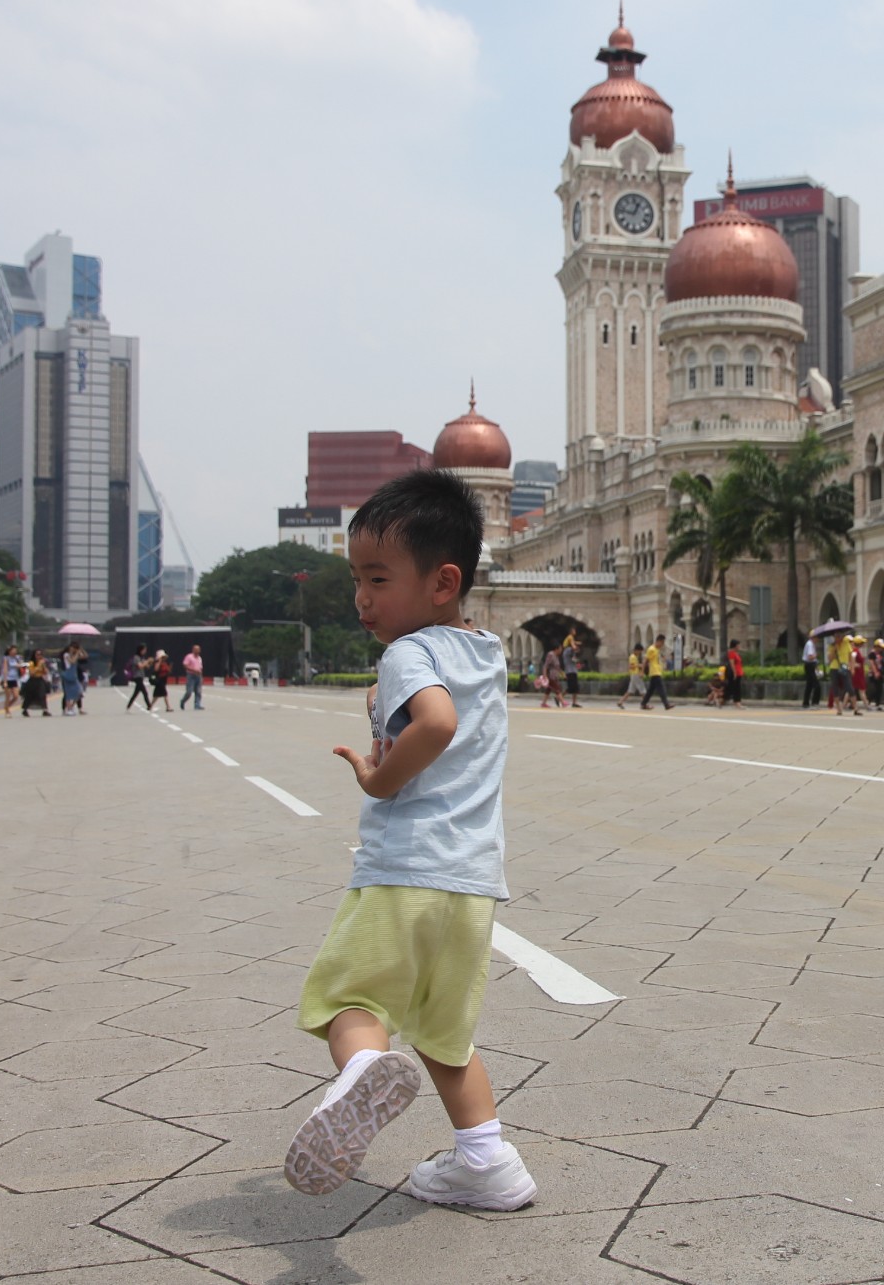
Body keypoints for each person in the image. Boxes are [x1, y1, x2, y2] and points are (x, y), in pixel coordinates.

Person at [286, 468, 534, 1211]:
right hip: (473, 884)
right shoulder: (486, 651)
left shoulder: (407, 655)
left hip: (405, 871)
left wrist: (377, 778)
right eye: (356, 577)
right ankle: (488, 1162)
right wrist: (382, 705)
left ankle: (362, 1069)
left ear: (441, 580)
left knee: (348, 1001)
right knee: (444, 1034)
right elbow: (453, 713)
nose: (361, 596)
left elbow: (435, 723)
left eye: (377, 577)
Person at [640, 636, 673, 710]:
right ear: (658, 641)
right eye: (662, 642)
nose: (662, 644)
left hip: (656, 672)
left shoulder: (657, 649)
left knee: (650, 690)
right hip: (655, 672)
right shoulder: (651, 649)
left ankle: (643, 703)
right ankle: (666, 704)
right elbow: (645, 661)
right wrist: (642, 671)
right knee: (662, 688)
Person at [20, 650, 51, 717]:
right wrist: (38, 667)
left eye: (40, 654)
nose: (39, 656)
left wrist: (43, 666)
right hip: (32, 680)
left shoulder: (42, 663)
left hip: (40, 680)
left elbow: (46, 672)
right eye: (37, 654)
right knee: (29, 696)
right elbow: (31, 673)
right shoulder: (31, 663)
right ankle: (25, 710)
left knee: (42, 695)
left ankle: (45, 710)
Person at [59, 646, 85, 716]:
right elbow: (72, 661)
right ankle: (68, 709)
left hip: (74, 676)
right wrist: (76, 653)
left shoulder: (74, 655)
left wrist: (81, 650)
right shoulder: (66, 655)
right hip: (68, 675)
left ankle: (71, 707)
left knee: (79, 692)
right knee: (68, 693)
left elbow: (84, 657)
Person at [617, 645, 645, 709]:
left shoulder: (634, 657)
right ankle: (644, 704)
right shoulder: (633, 657)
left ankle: (620, 702)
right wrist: (639, 665)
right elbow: (631, 666)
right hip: (635, 675)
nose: (640, 653)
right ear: (636, 650)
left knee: (630, 691)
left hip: (633, 675)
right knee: (642, 690)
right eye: (639, 651)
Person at [537, 645, 565, 709]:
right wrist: (544, 675)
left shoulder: (556, 656)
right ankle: (563, 702)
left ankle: (544, 703)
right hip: (550, 675)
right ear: (556, 649)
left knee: (548, 690)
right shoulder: (551, 655)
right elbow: (546, 665)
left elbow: (557, 667)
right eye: (560, 649)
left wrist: (562, 673)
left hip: (555, 675)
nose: (561, 651)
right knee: (557, 688)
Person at [126, 644, 152, 710]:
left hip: (141, 677)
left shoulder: (142, 658)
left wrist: (150, 662)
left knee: (136, 693)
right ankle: (149, 706)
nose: (145, 651)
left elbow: (147, 666)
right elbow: (140, 666)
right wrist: (147, 661)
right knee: (144, 692)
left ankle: (128, 706)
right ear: (141, 650)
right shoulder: (136, 657)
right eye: (144, 650)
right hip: (137, 677)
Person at [180, 644, 205, 711]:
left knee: (198, 691)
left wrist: (201, 676)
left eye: (199, 649)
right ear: (193, 650)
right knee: (189, 692)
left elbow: (200, 668)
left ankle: (197, 705)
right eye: (196, 649)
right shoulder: (189, 656)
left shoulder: (199, 658)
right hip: (191, 675)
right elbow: (185, 665)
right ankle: (183, 701)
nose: (198, 651)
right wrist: (193, 670)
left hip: (198, 675)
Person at [799, 634, 822, 710]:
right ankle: (814, 702)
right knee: (816, 685)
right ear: (813, 638)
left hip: (811, 665)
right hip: (810, 665)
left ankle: (806, 702)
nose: (818, 640)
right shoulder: (810, 644)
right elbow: (810, 656)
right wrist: (816, 655)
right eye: (817, 638)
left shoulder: (811, 644)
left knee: (809, 685)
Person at [560, 633, 583, 709]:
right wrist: (574, 642)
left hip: (573, 671)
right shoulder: (567, 650)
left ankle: (574, 702)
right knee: (571, 687)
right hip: (569, 671)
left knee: (575, 688)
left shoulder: (570, 651)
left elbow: (575, 656)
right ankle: (559, 697)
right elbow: (574, 649)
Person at [0, 646, 23, 716]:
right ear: (9, 651)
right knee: (8, 696)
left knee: (16, 696)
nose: (14, 652)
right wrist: (5, 681)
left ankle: (6, 707)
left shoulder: (17, 658)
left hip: (14, 679)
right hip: (7, 679)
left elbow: (21, 664)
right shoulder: (6, 658)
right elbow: (5, 669)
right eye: (13, 651)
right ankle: (7, 711)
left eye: (15, 650)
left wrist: (20, 662)